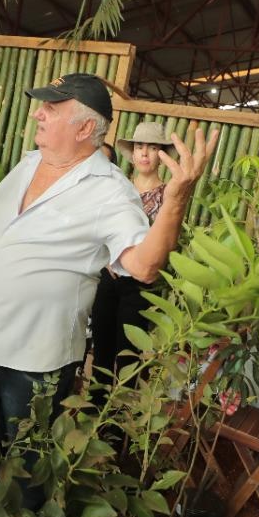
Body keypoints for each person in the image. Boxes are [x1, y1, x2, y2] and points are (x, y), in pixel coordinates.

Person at [0, 74, 216, 460]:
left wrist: (175, 199)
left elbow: (144, 267)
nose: (37, 114)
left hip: (36, 365)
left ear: (85, 127)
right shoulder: (28, 164)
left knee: (27, 470)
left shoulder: (109, 190)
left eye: (51, 108)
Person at [89, 121, 177, 392]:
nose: (144, 153)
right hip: (107, 275)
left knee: (128, 354)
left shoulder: (168, 195)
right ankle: (95, 411)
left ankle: (120, 424)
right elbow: (99, 226)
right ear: (133, 152)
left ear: (161, 154)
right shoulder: (118, 187)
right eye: (140, 147)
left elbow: (167, 243)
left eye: (152, 148)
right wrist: (107, 260)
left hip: (140, 284)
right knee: (101, 347)